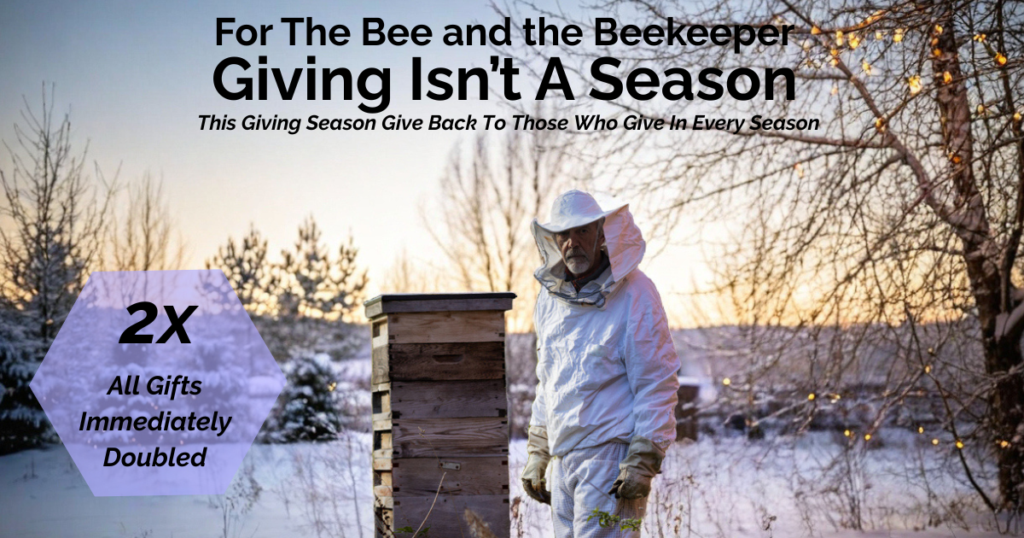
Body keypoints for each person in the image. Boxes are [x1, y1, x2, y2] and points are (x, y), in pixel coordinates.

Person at [522, 190, 680, 537]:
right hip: (564, 461)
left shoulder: (636, 292)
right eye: (564, 234)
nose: (572, 242)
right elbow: (549, 382)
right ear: (553, 240)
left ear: (601, 233)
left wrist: (644, 457)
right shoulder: (549, 301)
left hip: (611, 459)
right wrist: (538, 451)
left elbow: (657, 381)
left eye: (582, 232)